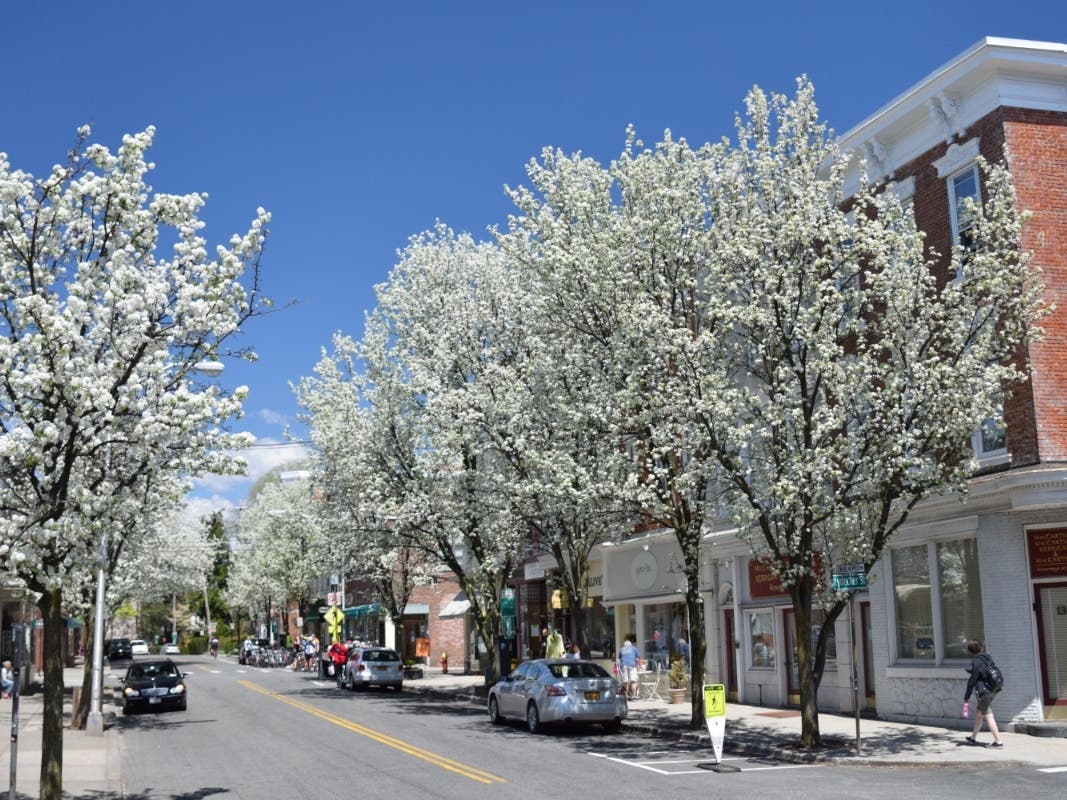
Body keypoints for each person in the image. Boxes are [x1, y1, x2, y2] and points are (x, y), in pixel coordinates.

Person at [963, 639, 1004, 748]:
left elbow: (973, 680)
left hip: (984, 692)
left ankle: (998, 742)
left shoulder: (976, 661)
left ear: (971, 651)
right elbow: (984, 671)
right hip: (993, 688)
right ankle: (972, 738)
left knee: (989, 716)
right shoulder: (987, 657)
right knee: (979, 715)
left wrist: (966, 697)